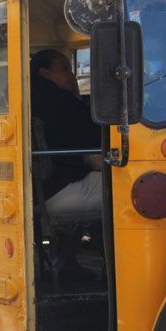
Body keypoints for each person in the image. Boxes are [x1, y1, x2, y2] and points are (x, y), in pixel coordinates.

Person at [30, 49, 102, 224]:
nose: (72, 76)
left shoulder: (30, 96)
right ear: (45, 74)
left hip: (38, 193)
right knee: (130, 187)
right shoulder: (59, 101)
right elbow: (95, 138)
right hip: (59, 187)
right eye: (65, 69)